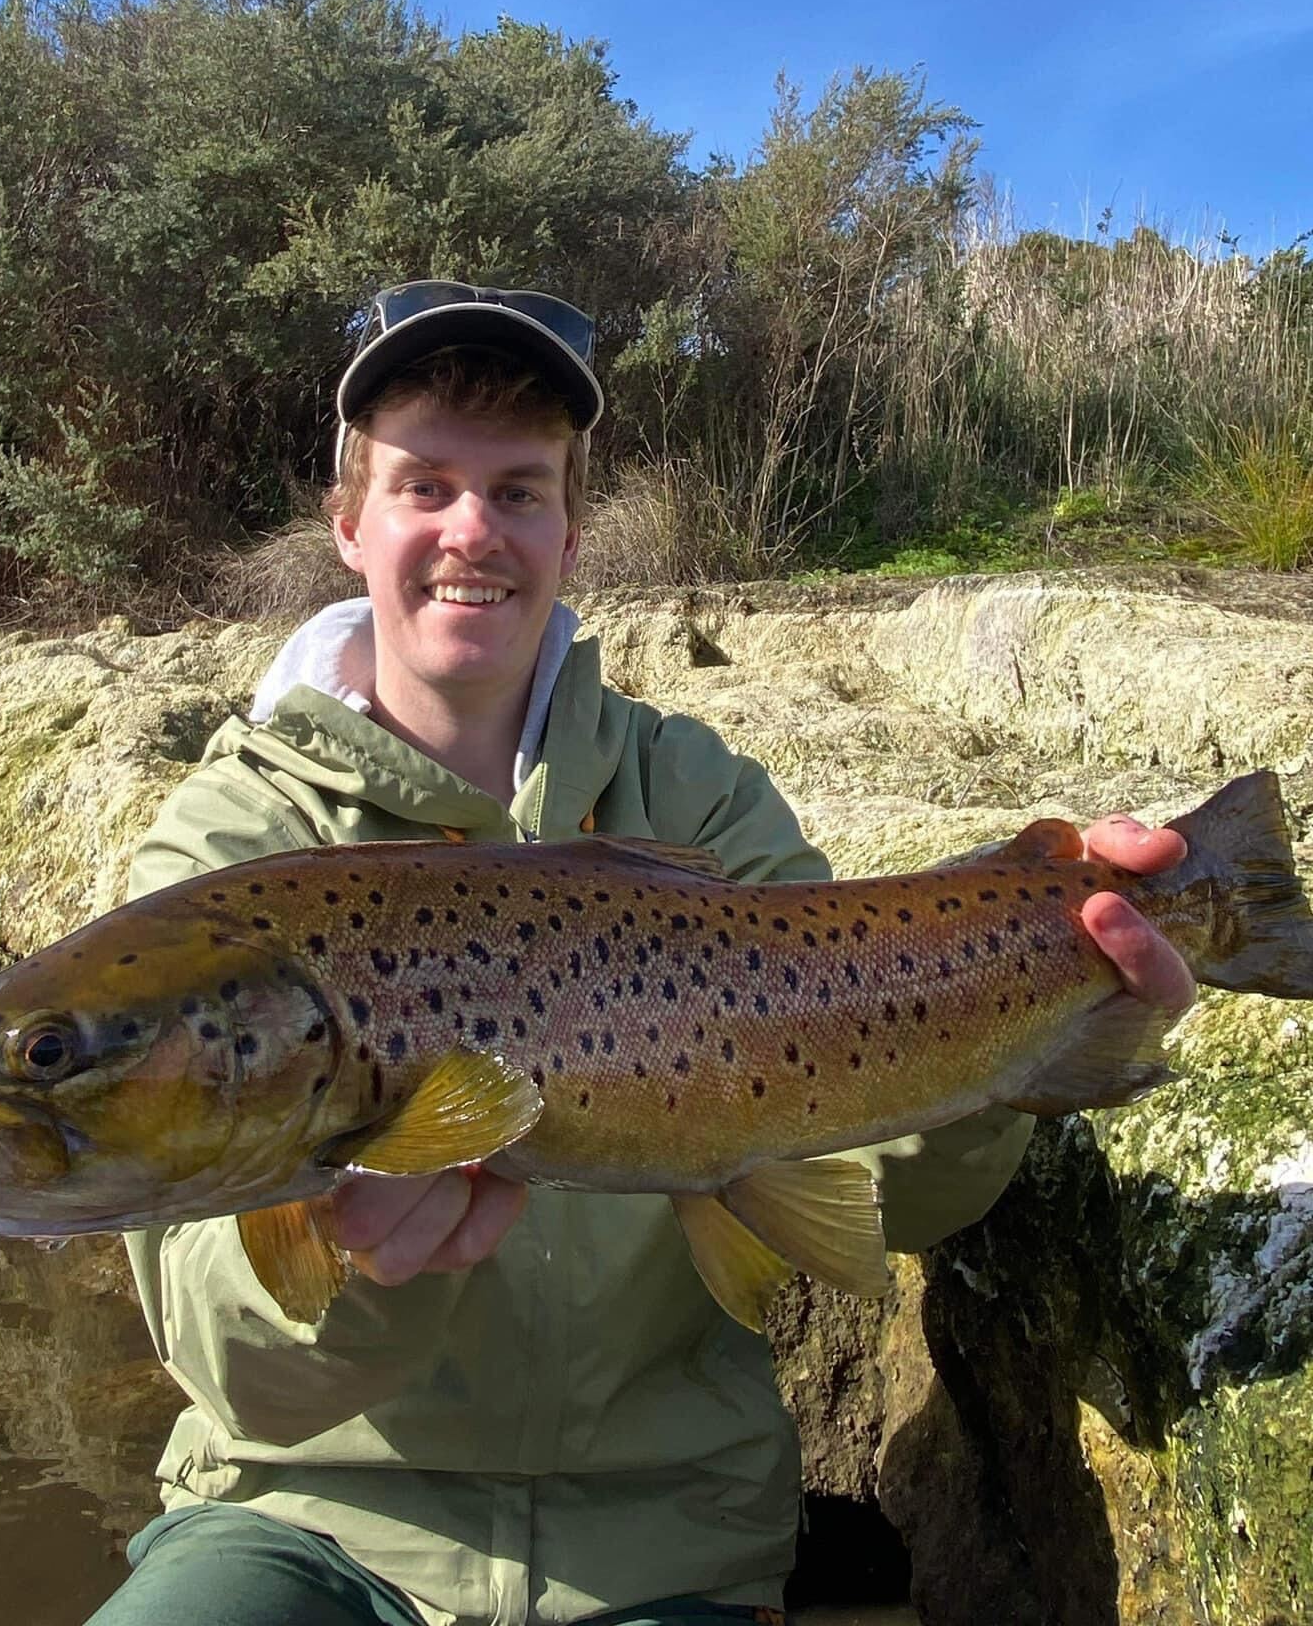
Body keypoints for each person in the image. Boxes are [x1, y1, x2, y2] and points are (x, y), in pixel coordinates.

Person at [88, 281, 1197, 1626]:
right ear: (347, 522)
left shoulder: (701, 798)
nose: (471, 532)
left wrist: (1035, 1033)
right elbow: (231, 1364)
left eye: (520, 490)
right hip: (300, 1528)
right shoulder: (235, 844)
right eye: (423, 485)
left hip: (664, 1544)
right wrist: (360, 1264)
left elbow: (896, 1195)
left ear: (567, 526)